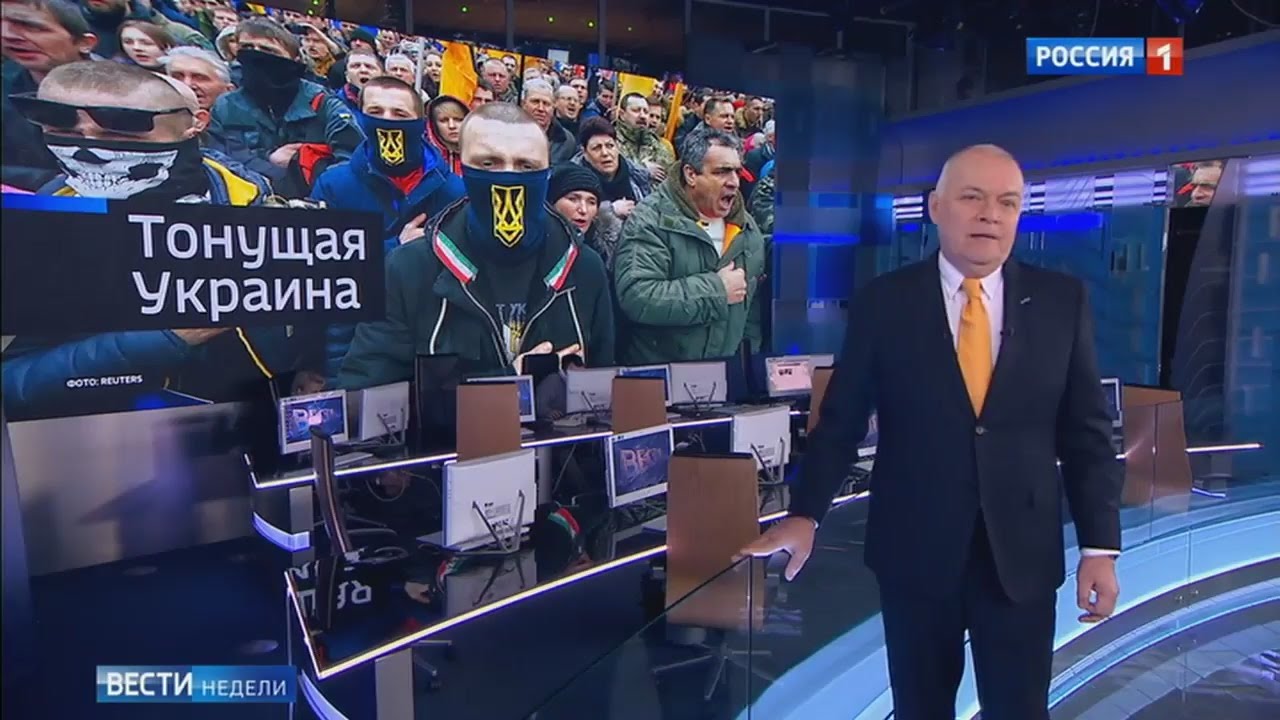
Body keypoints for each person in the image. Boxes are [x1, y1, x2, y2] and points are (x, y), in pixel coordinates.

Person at [739, 145, 1123, 720]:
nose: (990, 214)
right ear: (936, 207)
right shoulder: (885, 302)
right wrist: (805, 513)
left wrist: (1100, 547)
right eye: (972, 198)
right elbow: (841, 420)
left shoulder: (1061, 301)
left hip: (1021, 554)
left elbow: (1087, 434)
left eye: (1007, 202)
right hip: (915, 552)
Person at [2, 61, 317, 418]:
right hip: (108, 433)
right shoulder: (30, 230)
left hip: (256, 415)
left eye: (122, 132)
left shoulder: (252, 200)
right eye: (62, 128)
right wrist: (165, 338)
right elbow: (12, 381)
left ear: (192, 126)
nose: (89, 149)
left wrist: (311, 364)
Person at [338, 102, 615, 389]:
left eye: (526, 166)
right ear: (463, 166)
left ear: (546, 172)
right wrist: (507, 382)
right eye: (489, 164)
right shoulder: (408, 270)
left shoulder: (584, 268)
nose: (508, 177)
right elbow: (368, 398)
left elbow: (604, 388)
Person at [309, 76, 465, 384]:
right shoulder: (333, 185)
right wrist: (396, 249)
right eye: (376, 112)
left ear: (420, 123)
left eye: (400, 114)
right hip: (352, 348)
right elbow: (320, 275)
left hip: (434, 347)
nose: (388, 121)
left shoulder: (455, 191)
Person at [612, 125, 765, 365]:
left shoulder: (748, 229)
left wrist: (745, 366)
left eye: (737, 172)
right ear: (691, 174)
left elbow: (750, 312)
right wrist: (716, 290)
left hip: (724, 376)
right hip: (662, 376)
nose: (734, 182)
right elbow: (637, 296)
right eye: (722, 172)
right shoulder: (651, 220)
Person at [206, 17, 360, 197]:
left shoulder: (322, 102)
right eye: (247, 48)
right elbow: (217, 160)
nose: (256, 56)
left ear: (294, 59)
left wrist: (305, 166)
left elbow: (352, 158)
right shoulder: (225, 106)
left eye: (268, 51)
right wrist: (269, 160)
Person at [1, 0, 99, 191]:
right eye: (4, 26)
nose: (9, 36)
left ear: (85, 43)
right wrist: (51, 181)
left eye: (32, 27)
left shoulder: (131, 91)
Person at [615, 91, 673, 182]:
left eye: (646, 112)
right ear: (622, 114)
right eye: (636, 110)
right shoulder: (610, 142)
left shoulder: (658, 146)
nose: (642, 116)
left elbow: (668, 179)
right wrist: (643, 169)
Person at [520, 78, 576, 164]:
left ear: (553, 107)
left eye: (546, 104)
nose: (541, 108)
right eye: (535, 102)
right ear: (523, 104)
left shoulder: (567, 141)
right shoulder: (510, 134)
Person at [425, 94, 466, 175]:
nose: (452, 126)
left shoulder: (480, 153)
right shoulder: (425, 157)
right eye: (444, 120)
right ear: (434, 125)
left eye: (458, 119)